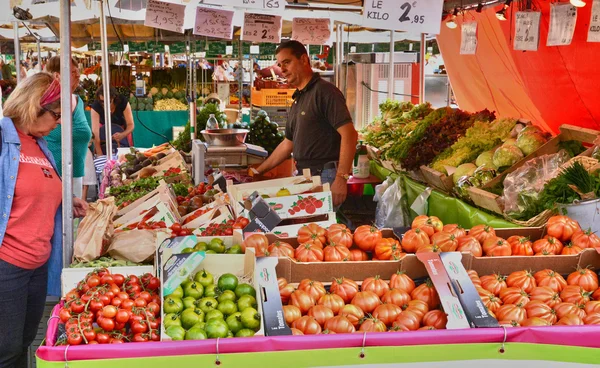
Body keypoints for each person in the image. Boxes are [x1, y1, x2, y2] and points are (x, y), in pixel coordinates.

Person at [0, 72, 88, 368]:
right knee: (6, 348)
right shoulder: (3, 141)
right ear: (34, 105)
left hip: (38, 265)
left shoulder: (41, 146)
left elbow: (35, 190)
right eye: (56, 114)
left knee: (24, 341)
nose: (60, 121)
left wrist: (65, 200)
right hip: (7, 264)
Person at [253, 40, 358, 207]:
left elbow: (350, 134)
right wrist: (259, 171)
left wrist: (341, 178)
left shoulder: (325, 92)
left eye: (287, 62)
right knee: (310, 229)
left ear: (303, 59)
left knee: (324, 229)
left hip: (326, 175)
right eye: (280, 65)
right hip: (307, 176)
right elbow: (288, 144)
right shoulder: (299, 97)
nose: (283, 69)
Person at [45, 56, 92, 199]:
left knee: (74, 218)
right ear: (57, 75)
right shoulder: (48, 101)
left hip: (76, 173)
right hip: (53, 175)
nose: (78, 75)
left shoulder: (78, 100)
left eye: (78, 71)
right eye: (72, 72)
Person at [90, 86, 135, 155]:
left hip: (122, 129)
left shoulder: (122, 101)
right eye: (102, 101)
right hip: (103, 132)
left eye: (108, 101)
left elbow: (131, 125)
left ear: (113, 97)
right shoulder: (95, 106)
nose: (105, 104)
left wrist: (123, 135)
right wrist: (100, 154)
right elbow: (95, 134)